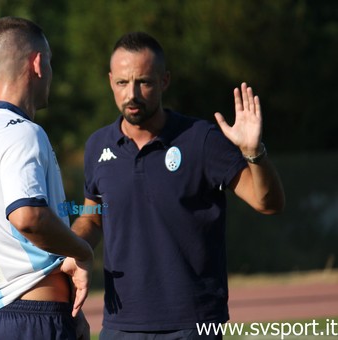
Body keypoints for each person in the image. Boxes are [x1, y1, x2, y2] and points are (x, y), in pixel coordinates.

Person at [71, 32, 285, 339]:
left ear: (164, 81)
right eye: (121, 82)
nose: (132, 93)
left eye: (143, 81)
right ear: (110, 81)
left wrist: (254, 152)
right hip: (121, 325)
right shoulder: (97, 146)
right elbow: (91, 218)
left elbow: (268, 203)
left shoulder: (201, 139)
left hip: (193, 324)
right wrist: (72, 248)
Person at [0, 17, 93, 340]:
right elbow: (28, 217)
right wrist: (82, 252)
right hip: (31, 321)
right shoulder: (22, 133)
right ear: (37, 63)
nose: (49, 72)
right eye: (49, 62)